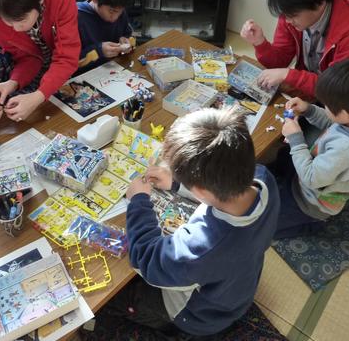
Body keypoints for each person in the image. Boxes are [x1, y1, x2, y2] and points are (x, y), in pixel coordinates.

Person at [98, 107, 280, 338]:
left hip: (195, 315)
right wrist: (177, 184)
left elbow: (146, 259)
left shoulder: (203, 246)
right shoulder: (263, 178)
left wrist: (138, 201)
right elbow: (221, 188)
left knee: (114, 301)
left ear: (203, 190)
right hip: (237, 290)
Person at [274, 59, 349, 239]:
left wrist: (296, 139)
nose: (325, 106)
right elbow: (333, 123)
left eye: (327, 105)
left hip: (310, 201)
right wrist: (309, 110)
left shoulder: (346, 149)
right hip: (318, 168)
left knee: (267, 225)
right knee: (282, 156)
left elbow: (311, 179)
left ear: (346, 114)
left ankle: (314, 225)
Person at [0, 0, 80, 122]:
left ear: (41, 2)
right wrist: (13, 82)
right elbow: (25, 57)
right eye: (9, 23)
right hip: (36, 73)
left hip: (60, 68)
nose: (17, 29)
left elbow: (67, 56)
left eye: (21, 20)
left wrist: (39, 96)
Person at [77, 0, 133, 71]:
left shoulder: (118, 7)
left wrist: (126, 40)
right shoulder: (76, 17)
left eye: (120, 11)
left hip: (114, 71)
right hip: (85, 76)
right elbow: (70, 62)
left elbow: (128, 34)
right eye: (112, 11)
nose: (116, 18)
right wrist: (98, 51)